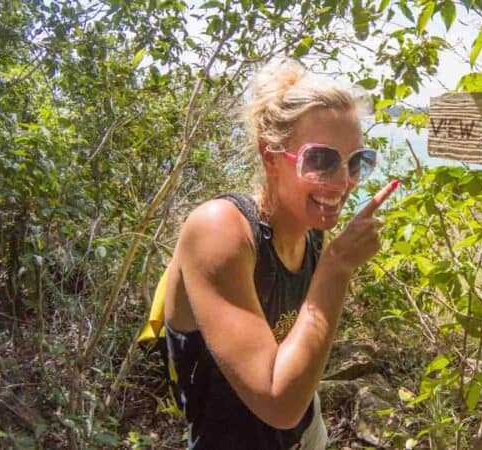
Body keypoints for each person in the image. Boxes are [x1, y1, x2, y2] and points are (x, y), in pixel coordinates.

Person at [162, 58, 398, 449]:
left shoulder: (311, 235)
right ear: (271, 157)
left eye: (357, 162)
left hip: (305, 431)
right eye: (320, 160)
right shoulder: (219, 231)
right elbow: (278, 401)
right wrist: (337, 268)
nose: (343, 181)